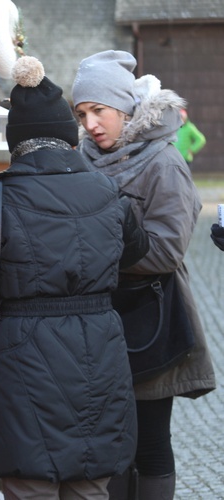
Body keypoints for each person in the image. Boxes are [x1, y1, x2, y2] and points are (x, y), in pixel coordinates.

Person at [0, 55, 149, 499]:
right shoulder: (108, 191)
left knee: (29, 485)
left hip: (24, 361)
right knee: (91, 486)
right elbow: (138, 251)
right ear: (67, 137)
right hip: (100, 350)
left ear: (15, 144)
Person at [72, 49, 216, 499]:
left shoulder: (163, 162)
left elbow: (166, 251)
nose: (91, 124)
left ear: (126, 107)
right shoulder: (80, 160)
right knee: (110, 442)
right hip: (96, 323)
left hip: (151, 316)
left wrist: (93, 254)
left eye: (99, 110)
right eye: (82, 113)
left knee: (151, 441)